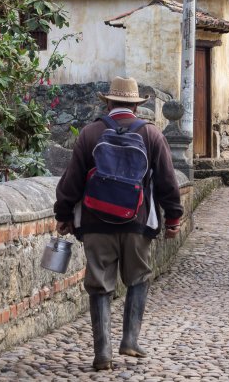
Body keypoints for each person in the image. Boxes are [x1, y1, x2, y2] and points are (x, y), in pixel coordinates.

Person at [54, 76, 184, 371]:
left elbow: (72, 180)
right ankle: (130, 339)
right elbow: (167, 181)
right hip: (138, 223)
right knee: (138, 278)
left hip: (95, 222)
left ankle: (103, 353)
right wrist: (173, 218)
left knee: (99, 284)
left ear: (109, 103)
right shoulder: (152, 135)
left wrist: (63, 215)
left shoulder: (90, 133)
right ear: (136, 107)